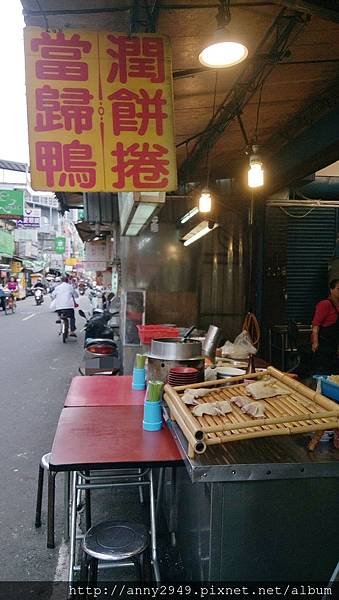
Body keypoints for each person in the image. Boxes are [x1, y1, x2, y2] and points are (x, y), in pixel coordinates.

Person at [311, 279, 339, 374]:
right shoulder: (325, 304)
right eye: (338, 289)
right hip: (324, 344)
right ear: (331, 290)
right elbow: (316, 325)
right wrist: (315, 342)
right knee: (323, 370)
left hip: (334, 344)